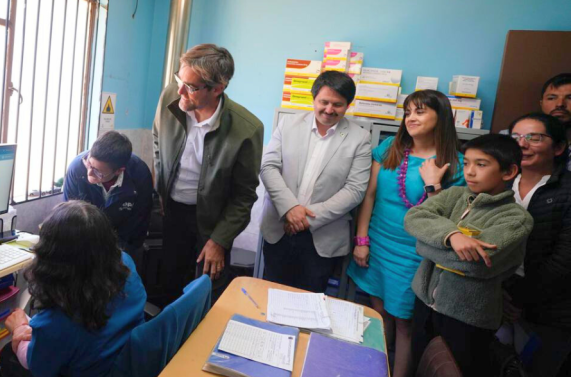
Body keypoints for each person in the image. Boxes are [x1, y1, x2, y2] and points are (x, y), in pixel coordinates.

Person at [346, 90, 465, 377]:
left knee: (404, 322)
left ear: (442, 117)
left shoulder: (457, 163)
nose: (411, 118)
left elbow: (447, 220)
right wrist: (362, 240)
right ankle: (372, 369)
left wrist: (433, 184)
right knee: (378, 314)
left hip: (415, 253)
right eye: (408, 112)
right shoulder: (390, 147)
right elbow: (370, 197)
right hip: (377, 244)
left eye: (420, 111)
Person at [406, 134, 533, 376]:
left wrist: (425, 246)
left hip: (466, 317)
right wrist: (452, 235)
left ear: (508, 172)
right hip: (425, 303)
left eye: (481, 164)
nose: (470, 172)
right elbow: (413, 218)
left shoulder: (516, 218)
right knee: (420, 366)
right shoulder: (454, 195)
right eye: (466, 163)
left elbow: (475, 265)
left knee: (455, 370)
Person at [152, 44, 263, 303]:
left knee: (207, 289)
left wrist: (219, 241)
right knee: (169, 282)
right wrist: (160, 187)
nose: (179, 90)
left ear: (217, 88)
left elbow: (243, 197)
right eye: (180, 79)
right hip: (173, 211)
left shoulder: (246, 129)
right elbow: (157, 138)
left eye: (190, 86)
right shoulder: (172, 96)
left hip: (214, 222)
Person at [0, 200, 146, 377]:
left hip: (91, 368)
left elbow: (35, 364)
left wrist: (19, 329)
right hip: (127, 362)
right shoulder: (126, 263)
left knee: (9, 355)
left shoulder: (58, 320)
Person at [259, 71, 371, 292]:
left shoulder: (360, 138)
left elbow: (355, 190)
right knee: (267, 297)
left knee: (309, 305)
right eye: (324, 102)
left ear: (348, 105)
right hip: (279, 229)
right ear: (313, 99)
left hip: (322, 237)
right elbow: (268, 167)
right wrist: (290, 208)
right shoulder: (288, 124)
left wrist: (306, 219)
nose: (329, 110)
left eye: (337, 104)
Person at [501, 113, 571, 376]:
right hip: (497, 296)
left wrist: (518, 298)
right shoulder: (500, 182)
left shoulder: (566, 190)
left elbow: (564, 259)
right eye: (516, 137)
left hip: (549, 308)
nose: (522, 144)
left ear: (559, 147)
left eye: (534, 137)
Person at [63, 131, 153, 254]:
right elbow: (69, 216)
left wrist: (116, 254)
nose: (89, 173)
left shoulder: (140, 174)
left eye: (98, 172)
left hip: (121, 244)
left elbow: (138, 224)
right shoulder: (77, 168)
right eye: (89, 164)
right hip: (84, 243)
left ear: (119, 171)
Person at [538, 73, 571, 170]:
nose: (560, 104)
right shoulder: (515, 138)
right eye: (551, 98)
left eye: (570, 98)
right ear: (541, 103)